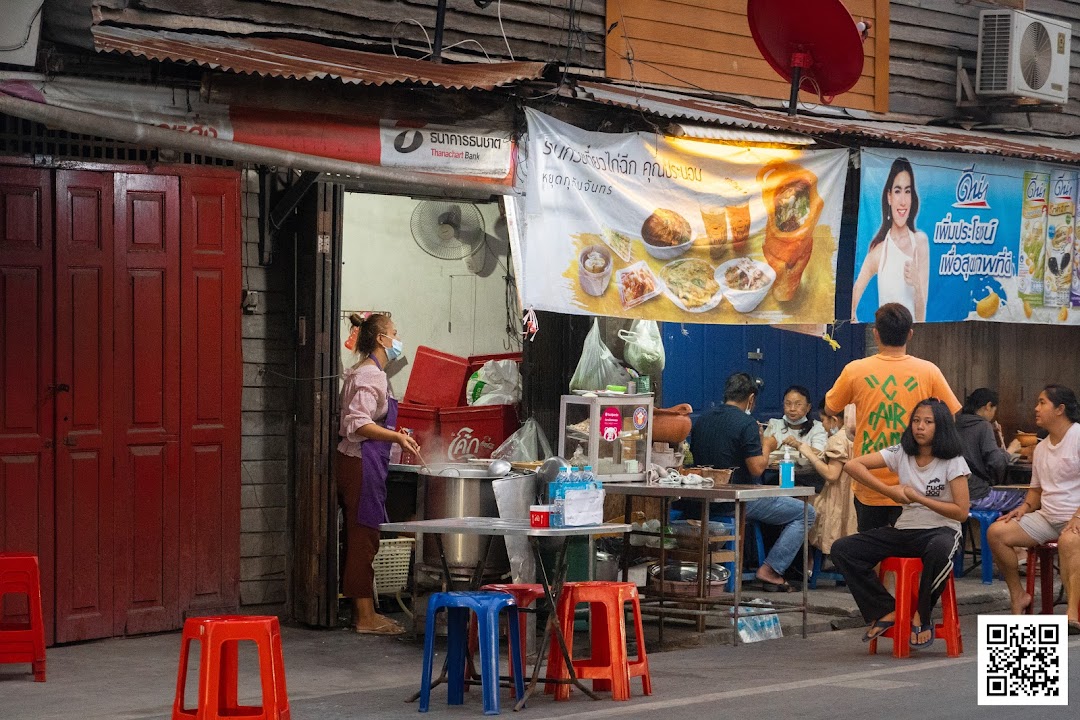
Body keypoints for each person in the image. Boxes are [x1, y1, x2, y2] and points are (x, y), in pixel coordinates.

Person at [832, 399, 970, 650]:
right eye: (916, 421)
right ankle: (885, 609)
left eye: (928, 422)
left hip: (942, 530)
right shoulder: (901, 453)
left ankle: (922, 615)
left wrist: (920, 499)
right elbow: (853, 465)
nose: (920, 427)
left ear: (941, 428)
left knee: (939, 550)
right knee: (843, 549)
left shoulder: (953, 461)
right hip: (905, 530)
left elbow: (961, 512)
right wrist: (890, 491)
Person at [825, 303, 961, 532]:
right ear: (910, 334)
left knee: (872, 548)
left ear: (876, 334)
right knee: (911, 553)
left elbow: (830, 408)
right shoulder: (928, 371)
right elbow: (951, 418)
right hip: (917, 483)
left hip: (869, 480)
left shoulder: (855, 370)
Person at [688, 372, 816, 592]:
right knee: (806, 512)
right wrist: (766, 444)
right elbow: (757, 468)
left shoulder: (703, 419)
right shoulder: (746, 422)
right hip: (737, 501)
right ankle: (771, 569)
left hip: (704, 498)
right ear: (751, 399)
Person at [336, 313, 420, 635]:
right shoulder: (373, 375)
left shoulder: (363, 372)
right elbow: (357, 423)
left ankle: (365, 612)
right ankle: (364, 618)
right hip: (359, 463)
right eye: (394, 334)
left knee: (362, 536)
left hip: (357, 461)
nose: (398, 340)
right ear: (382, 340)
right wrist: (397, 437)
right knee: (363, 538)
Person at [986, 384, 1080, 632]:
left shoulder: (1078, 436)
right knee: (997, 533)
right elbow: (1037, 490)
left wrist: (1078, 515)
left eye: (1042, 403)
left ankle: (1072, 613)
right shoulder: (1041, 447)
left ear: (1060, 409)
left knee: (1069, 541)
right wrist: (1024, 507)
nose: (1036, 408)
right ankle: (1019, 595)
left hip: (1076, 517)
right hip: (1048, 517)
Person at [851, 157, 929, 322]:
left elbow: (922, 317)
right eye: (897, 190)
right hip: (886, 335)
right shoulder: (880, 251)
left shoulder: (920, 242)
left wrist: (916, 284)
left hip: (911, 336)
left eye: (907, 191)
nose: (902, 201)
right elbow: (856, 288)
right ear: (889, 196)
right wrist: (853, 317)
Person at [785, 399, 857, 555]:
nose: (823, 425)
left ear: (834, 420)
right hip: (853, 498)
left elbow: (831, 474)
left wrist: (809, 454)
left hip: (837, 501)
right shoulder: (855, 435)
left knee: (799, 506)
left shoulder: (838, 439)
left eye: (824, 420)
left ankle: (802, 563)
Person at [955, 388, 1023, 513]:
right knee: (1027, 499)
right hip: (977, 496)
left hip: (955, 496)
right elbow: (996, 462)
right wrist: (1011, 450)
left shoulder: (955, 423)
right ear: (988, 406)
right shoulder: (983, 425)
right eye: (994, 410)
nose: (993, 415)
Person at [762, 385, 827, 467]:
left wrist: (798, 445)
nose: (792, 409)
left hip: (810, 475)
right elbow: (763, 452)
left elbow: (820, 454)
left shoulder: (818, 427)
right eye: (788, 404)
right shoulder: (774, 424)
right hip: (778, 473)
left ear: (808, 407)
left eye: (798, 404)